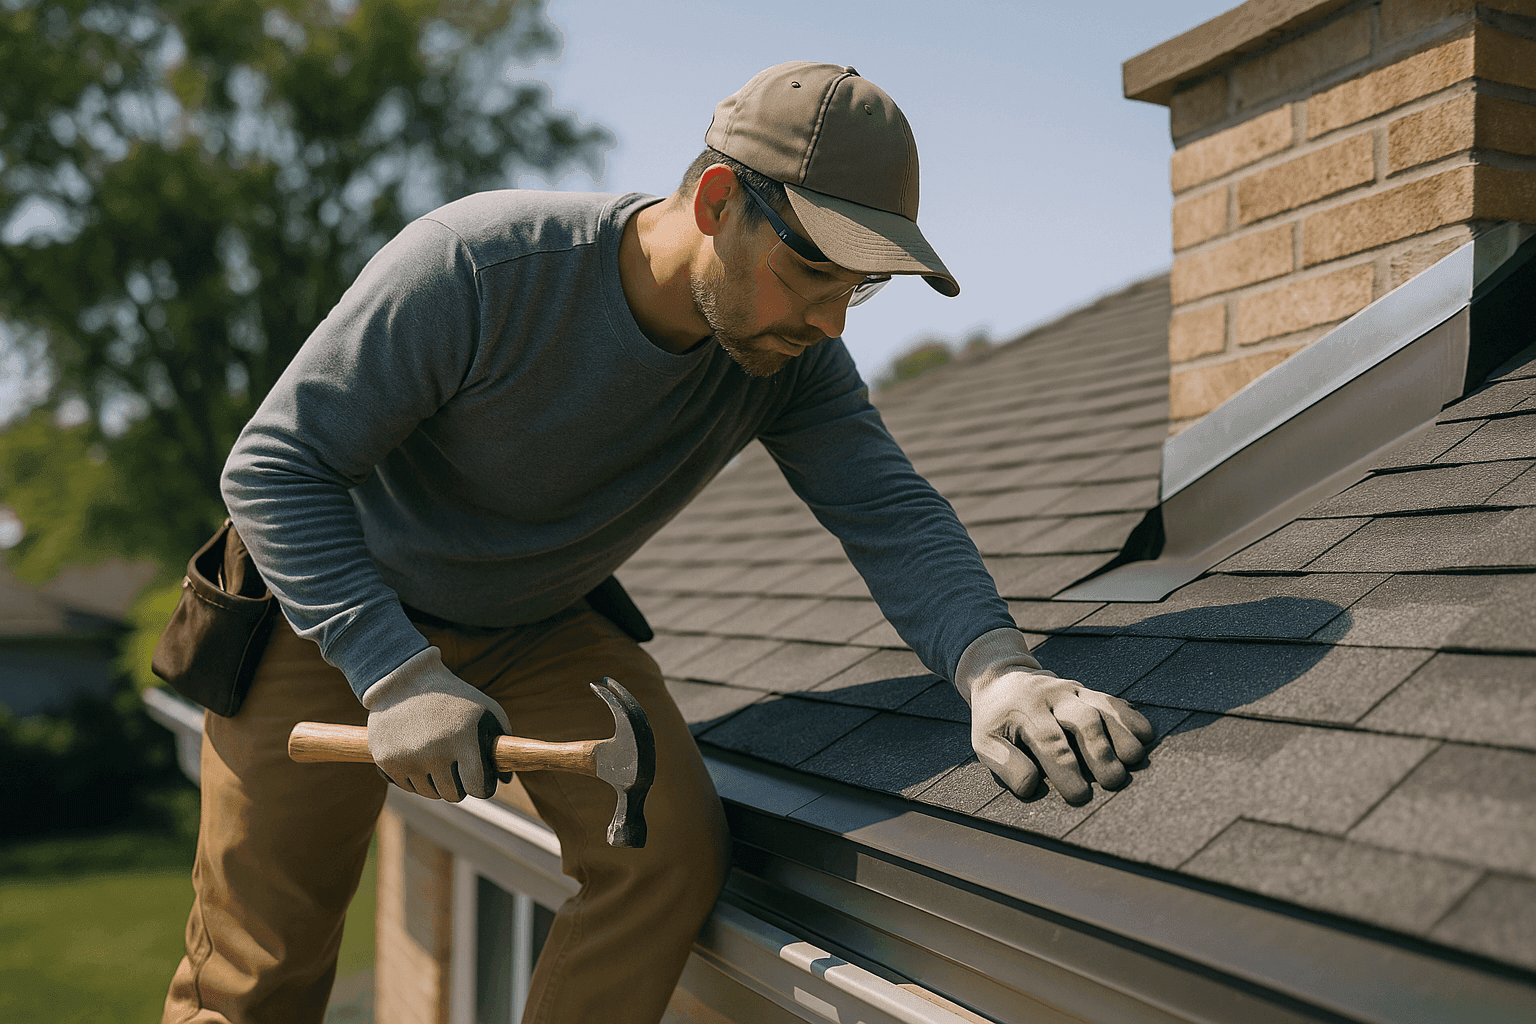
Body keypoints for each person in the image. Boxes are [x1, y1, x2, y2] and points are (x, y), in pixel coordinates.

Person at [162, 62, 1154, 1024]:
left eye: (858, 287)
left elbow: (889, 512)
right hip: (330, 610)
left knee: (667, 860)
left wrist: (998, 670)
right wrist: (393, 672)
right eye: (811, 268)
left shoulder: (791, 361)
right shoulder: (480, 268)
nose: (827, 317)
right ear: (718, 199)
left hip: (536, 622)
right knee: (258, 971)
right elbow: (271, 469)